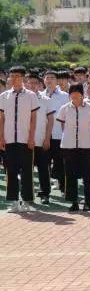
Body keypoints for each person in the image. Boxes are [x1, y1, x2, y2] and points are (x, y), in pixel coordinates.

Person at [0, 66, 40, 212]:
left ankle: (28, 201)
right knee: (10, 171)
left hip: (25, 139)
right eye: (12, 75)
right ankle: (13, 202)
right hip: (9, 139)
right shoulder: (4, 96)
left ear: (23, 78)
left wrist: (31, 137)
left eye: (17, 75)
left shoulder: (31, 95)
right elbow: (1, 118)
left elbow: (33, 119)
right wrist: (1, 137)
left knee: (27, 171)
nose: (14, 78)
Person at [57, 84, 90, 212]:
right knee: (70, 174)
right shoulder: (64, 108)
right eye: (72, 92)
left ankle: (88, 201)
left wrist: (87, 137)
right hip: (69, 146)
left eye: (77, 92)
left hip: (87, 145)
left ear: (82, 94)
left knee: (88, 174)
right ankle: (73, 201)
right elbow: (62, 125)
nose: (74, 95)